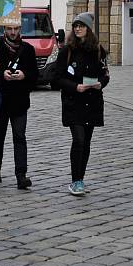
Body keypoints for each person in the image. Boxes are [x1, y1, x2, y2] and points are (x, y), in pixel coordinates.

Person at [54, 12, 109, 196]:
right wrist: (75, 86)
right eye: (76, 26)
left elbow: (105, 74)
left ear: (88, 29)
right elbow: (57, 77)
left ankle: (81, 178)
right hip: (73, 102)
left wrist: (101, 83)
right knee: (78, 140)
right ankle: (75, 181)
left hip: (92, 102)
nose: (78, 28)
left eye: (81, 26)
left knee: (86, 142)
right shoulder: (67, 50)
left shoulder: (98, 50)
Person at [0, 23, 38, 189]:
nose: (12, 32)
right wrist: (0, 73)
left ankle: (21, 174)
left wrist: (24, 75)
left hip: (19, 101)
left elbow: (35, 76)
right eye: (9, 29)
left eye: (16, 29)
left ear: (20, 30)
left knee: (19, 137)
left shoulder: (28, 49)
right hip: (0, 101)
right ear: (4, 30)